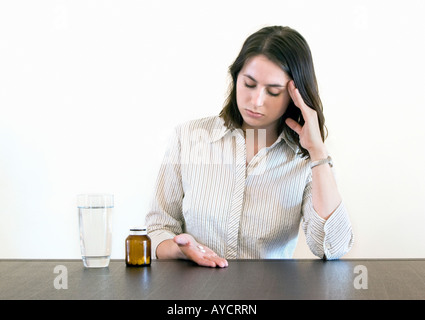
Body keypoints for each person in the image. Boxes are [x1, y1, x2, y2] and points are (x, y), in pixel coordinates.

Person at [145, 26, 354, 268]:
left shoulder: (307, 160)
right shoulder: (189, 137)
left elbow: (332, 248)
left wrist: (318, 153)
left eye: (273, 92)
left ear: (294, 97)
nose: (256, 101)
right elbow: (159, 227)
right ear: (235, 78)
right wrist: (182, 250)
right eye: (249, 84)